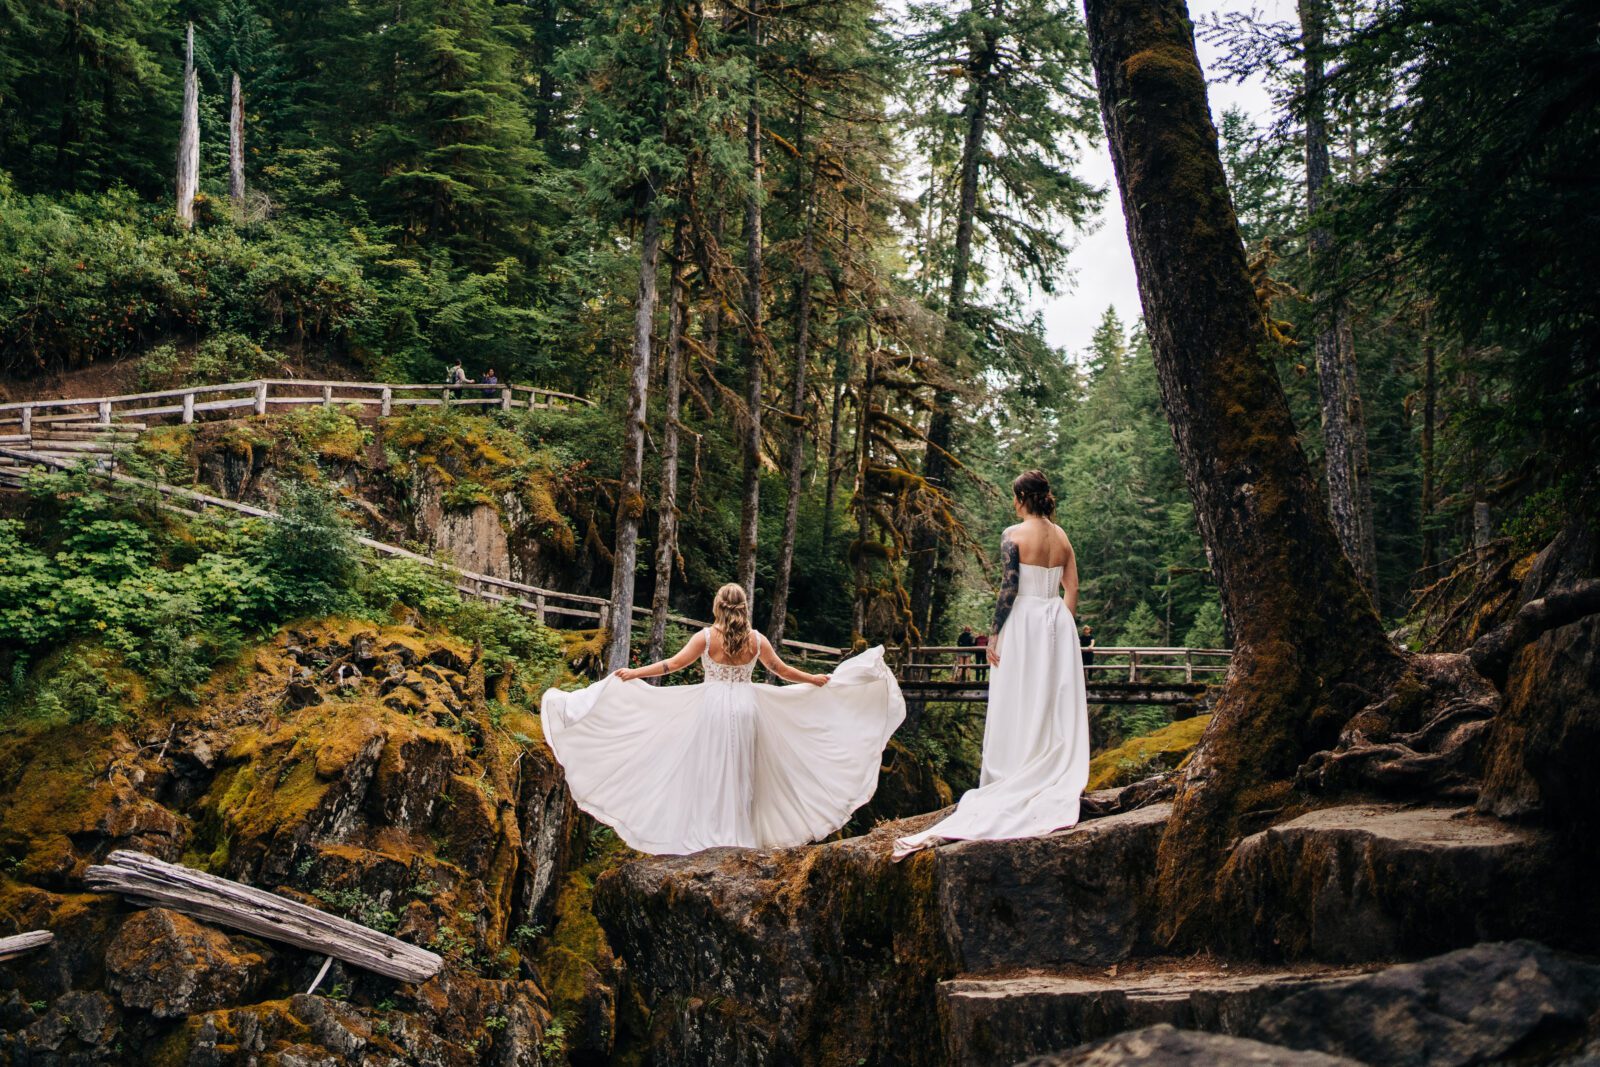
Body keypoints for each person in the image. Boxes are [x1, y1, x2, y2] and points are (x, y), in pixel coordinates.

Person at [542, 583, 906, 854]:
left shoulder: (705, 637)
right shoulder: (756, 640)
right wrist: (813, 679)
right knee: (742, 769)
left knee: (712, 766)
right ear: (744, 607)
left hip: (712, 706)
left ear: (717, 606)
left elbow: (673, 665)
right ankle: (739, 834)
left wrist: (636, 673)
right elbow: (780, 670)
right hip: (747, 707)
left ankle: (709, 831)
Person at [893, 469, 1089, 859]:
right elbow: (1073, 588)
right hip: (1055, 621)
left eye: (1014, 496)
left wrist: (995, 633)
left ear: (1021, 498)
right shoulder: (1062, 536)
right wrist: (1063, 624)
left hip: (1023, 623)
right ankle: (1048, 769)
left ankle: (1014, 770)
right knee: (1051, 698)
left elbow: (1009, 587)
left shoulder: (1012, 535)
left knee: (1016, 697)